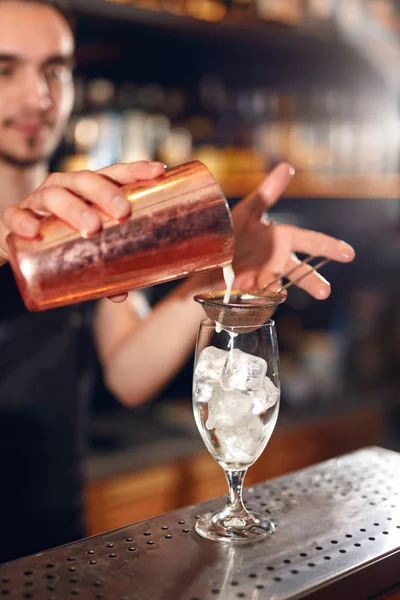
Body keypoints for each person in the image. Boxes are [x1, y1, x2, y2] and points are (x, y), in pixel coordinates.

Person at [0, 0, 355, 563]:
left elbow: (129, 373)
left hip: (58, 540)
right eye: (5, 69)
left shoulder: (90, 221)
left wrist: (221, 271)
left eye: (56, 70)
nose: (38, 97)